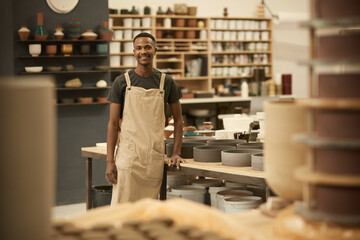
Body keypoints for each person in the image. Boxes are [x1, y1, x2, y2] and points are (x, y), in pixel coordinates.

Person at [105, 32, 185, 204]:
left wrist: (176, 152)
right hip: (128, 157)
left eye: (148, 47)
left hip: (153, 157)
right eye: (139, 48)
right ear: (133, 52)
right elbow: (112, 124)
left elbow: (178, 120)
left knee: (147, 211)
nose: (143, 51)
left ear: (155, 50)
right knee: (122, 209)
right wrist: (110, 160)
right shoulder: (122, 82)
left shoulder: (167, 82)